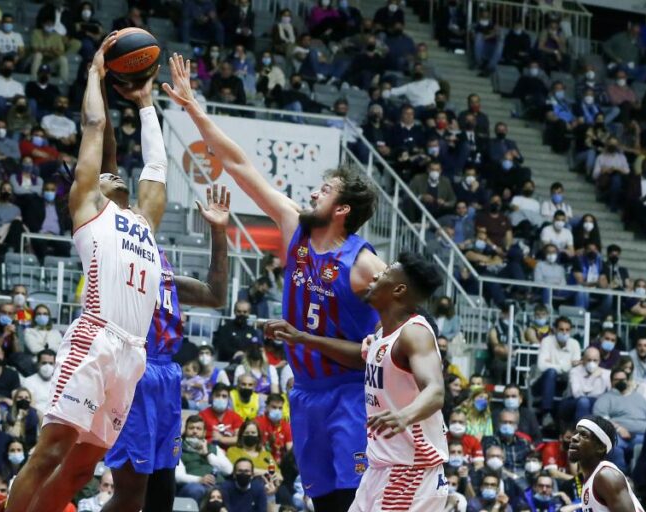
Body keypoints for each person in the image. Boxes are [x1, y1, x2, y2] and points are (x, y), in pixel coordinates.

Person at [164, 51, 387, 511]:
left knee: (353, 500)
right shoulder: (294, 227)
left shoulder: (366, 266)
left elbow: (405, 332)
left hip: (348, 393)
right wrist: (193, 107)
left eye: (324, 191)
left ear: (342, 210)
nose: (311, 193)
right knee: (320, 500)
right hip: (303, 392)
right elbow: (239, 163)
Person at [7, 35, 164, 512]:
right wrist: (95, 74)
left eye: (120, 177)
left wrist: (146, 104)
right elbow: (94, 123)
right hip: (95, 339)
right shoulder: (88, 209)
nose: (115, 175)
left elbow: (157, 162)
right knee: (52, 448)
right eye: (107, 175)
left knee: (82, 466)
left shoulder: (144, 220)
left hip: (132, 354)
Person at [103, 74, 231, 511]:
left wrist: (219, 234)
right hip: (133, 370)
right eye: (115, 191)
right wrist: (110, 98)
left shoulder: (157, 261)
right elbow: (120, 166)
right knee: (129, 495)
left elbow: (215, 295)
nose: (125, 194)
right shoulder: (110, 239)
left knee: (162, 491)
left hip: (166, 375)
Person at [284, 252, 446, 511]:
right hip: (379, 468)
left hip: (411, 471)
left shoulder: (414, 333)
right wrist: (303, 338)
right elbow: (362, 358)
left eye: (383, 275)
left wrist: (405, 415)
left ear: (398, 289)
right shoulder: (382, 334)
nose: (373, 277)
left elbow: (436, 391)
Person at [568, 416, 644, 511]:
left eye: (584, 435)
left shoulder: (606, 475)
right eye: (576, 433)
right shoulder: (590, 479)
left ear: (600, 448)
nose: (574, 438)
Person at [175, 414, 234, 503]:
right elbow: (178, 476)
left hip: (218, 484)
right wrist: (200, 480)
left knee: (231, 488)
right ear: (185, 431)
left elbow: (229, 470)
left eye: (198, 429)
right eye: (191, 428)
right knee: (197, 490)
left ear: (204, 433)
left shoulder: (213, 448)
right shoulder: (178, 449)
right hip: (194, 485)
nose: (195, 431)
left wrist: (207, 454)